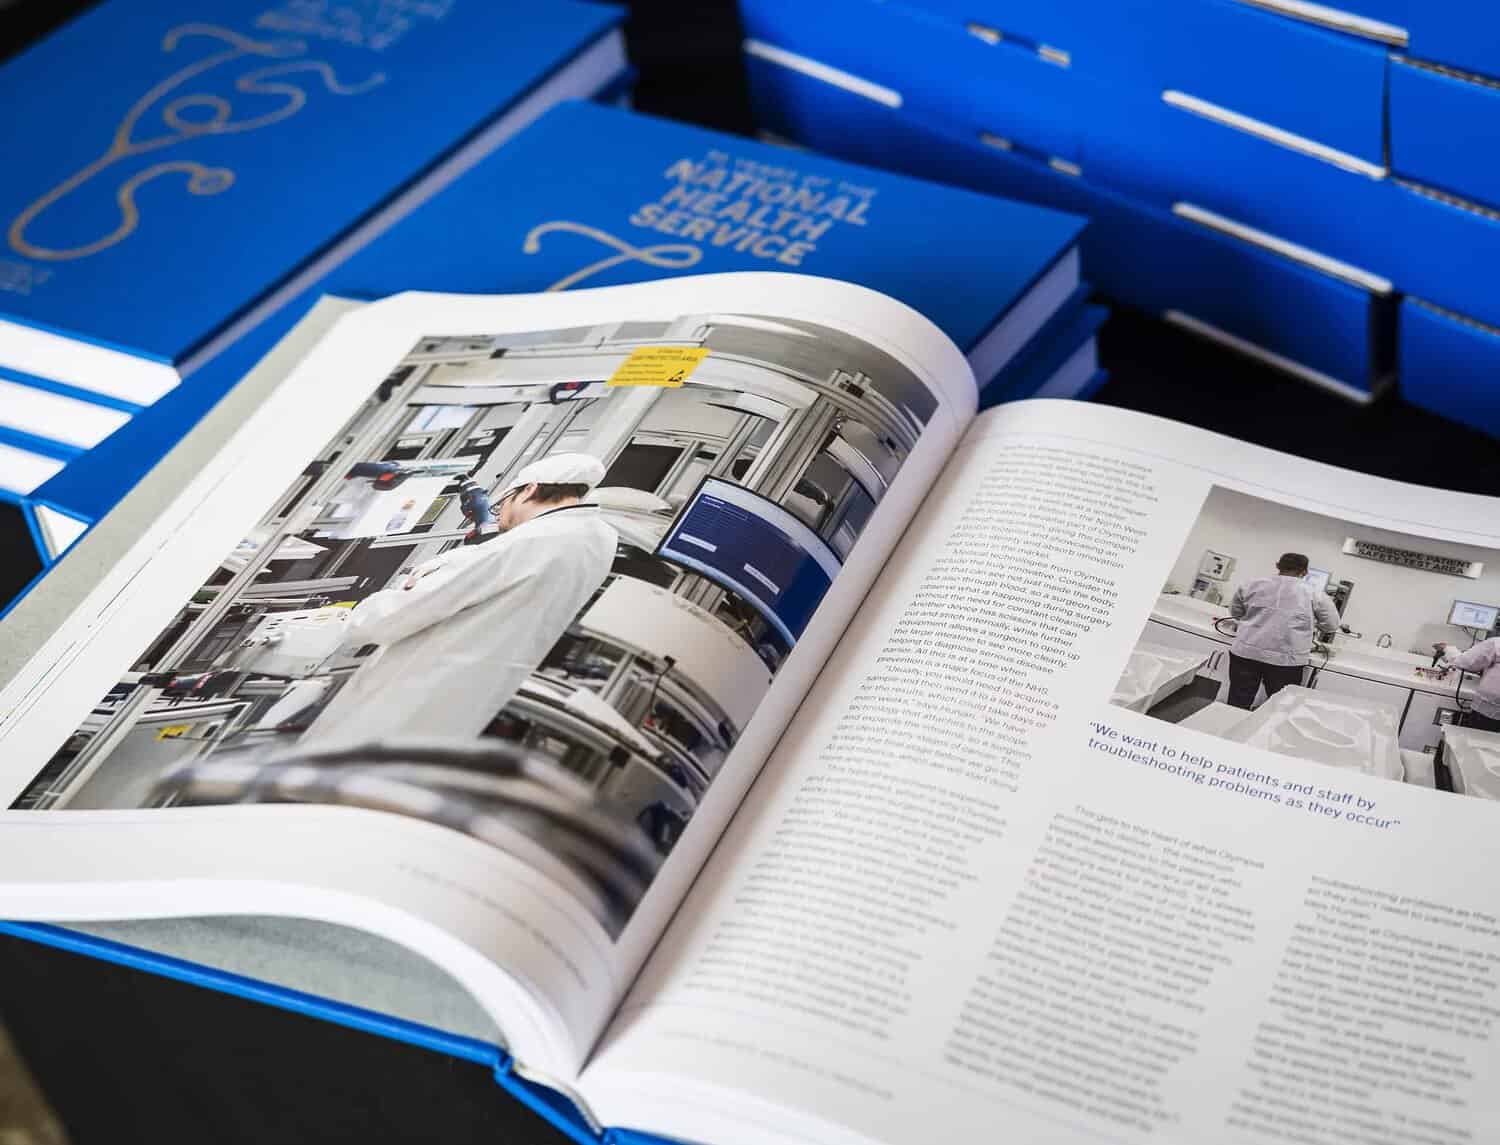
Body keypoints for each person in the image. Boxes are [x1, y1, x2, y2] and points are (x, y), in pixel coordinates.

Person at [304, 453, 619, 746]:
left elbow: (392, 617)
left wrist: (352, 618)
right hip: (466, 696)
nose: (499, 515)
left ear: (529, 489)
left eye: (501, 505)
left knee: (339, 765)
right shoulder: (597, 538)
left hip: (413, 689)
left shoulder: (529, 542)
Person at [1225, 552, 1340, 709]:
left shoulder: (1251, 585)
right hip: (1286, 661)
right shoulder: (1315, 594)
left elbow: (1236, 613)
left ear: (1278, 566)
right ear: (1305, 571)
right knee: (1279, 708)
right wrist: (1311, 624)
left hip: (1246, 653)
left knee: (1237, 702)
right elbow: (1331, 625)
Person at [1434, 637, 1500, 732]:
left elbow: (1467, 662)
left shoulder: (1495, 643)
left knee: (1477, 738)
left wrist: (1447, 649)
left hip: (1489, 710)